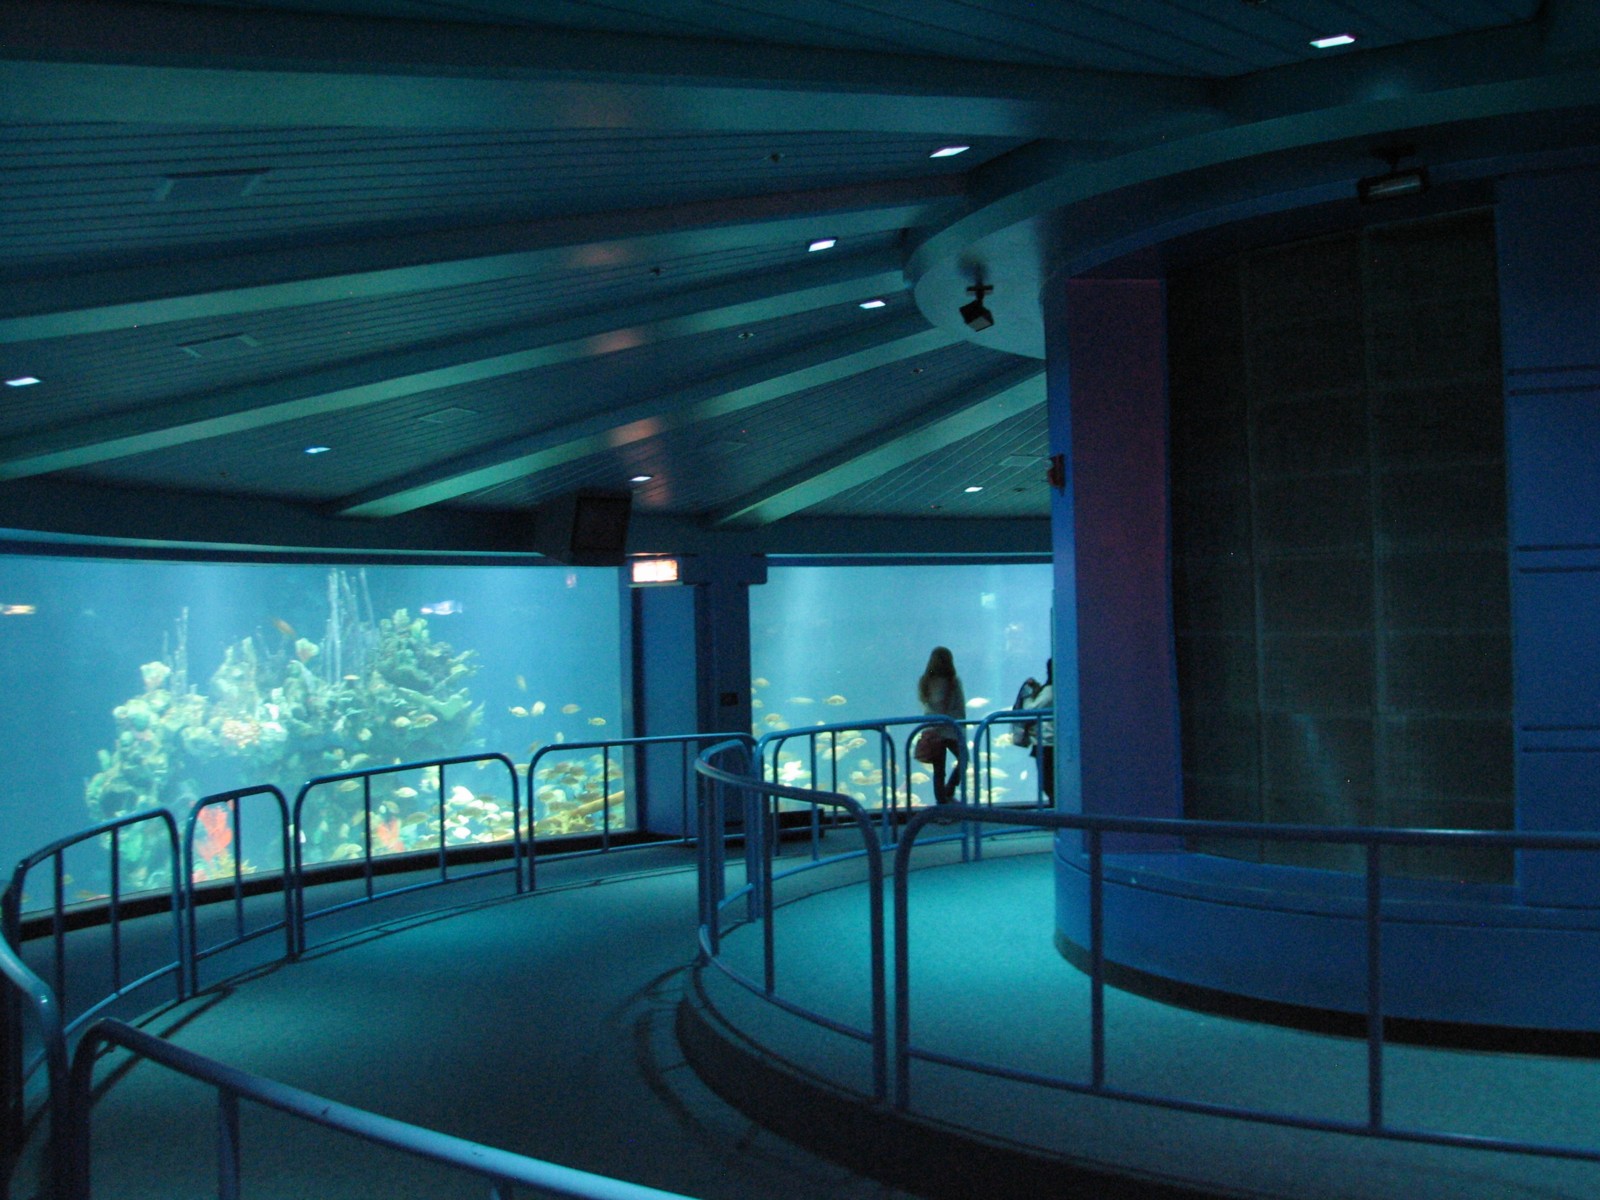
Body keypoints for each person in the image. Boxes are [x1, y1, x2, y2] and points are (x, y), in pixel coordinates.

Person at [917, 646, 966, 805]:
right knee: (964, 758)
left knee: (939, 771)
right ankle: (949, 790)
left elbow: (927, 706)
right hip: (950, 729)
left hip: (932, 730)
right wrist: (961, 729)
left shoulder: (925, 681)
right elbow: (959, 706)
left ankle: (941, 805)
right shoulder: (953, 682)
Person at [1018, 659, 1055, 805]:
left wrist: (1027, 695)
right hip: (1047, 742)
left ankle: (1058, 817)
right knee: (1050, 782)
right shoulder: (1052, 689)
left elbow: (1031, 711)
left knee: (1048, 783)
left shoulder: (1050, 690)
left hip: (1047, 743)